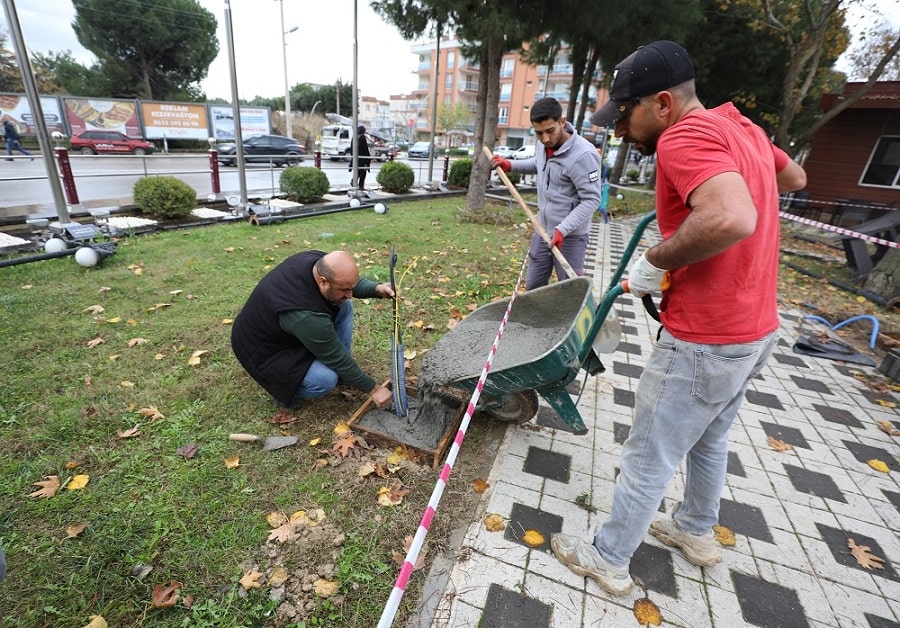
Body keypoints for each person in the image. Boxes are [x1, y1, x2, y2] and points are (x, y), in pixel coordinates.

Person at [550, 41, 807, 595]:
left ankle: (608, 557)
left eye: (625, 114)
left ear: (662, 103)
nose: (618, 129)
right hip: (756, 328)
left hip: (707, 336)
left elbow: (733, 215)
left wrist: (654, 260)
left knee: (650, 450)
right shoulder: (742, 127)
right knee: (710, 438)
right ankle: (694, 530)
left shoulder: (684, 135)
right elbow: (794, 181)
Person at [231, 250, 395, 411]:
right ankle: (282, 390)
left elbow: (345, 283)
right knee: (325, 380)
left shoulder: (317, 262)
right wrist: (374, 389)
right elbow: (336, 357)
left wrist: (376, 288)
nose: (350, 294)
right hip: (262, 352)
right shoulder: (306, 316)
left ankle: (345, 374)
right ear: (323, 281)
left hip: (281, 330)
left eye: (350, 288)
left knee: (344, 305)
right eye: (345, 289)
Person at [490, 97, 602, 290]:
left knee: (569, 290)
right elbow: (538, 164)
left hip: (571, 236)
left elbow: (592, 200)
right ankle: (534, 321)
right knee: (533, 286)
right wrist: (510, 164)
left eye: (550, 131)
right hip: (542, 229)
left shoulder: (584, 155)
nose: (545, 139)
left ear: (562, 122)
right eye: (539, 133)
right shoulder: (544, 146)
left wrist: (563, 229)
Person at [350, 125, 372, 192]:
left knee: (358, 171)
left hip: (356, 158)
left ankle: (354, 181)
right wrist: (368, 157)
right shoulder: (362, 137)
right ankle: (361, 185)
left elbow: (351, 148)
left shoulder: (354, 137)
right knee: (363, 172)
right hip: (362, 158)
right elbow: (365, 148)